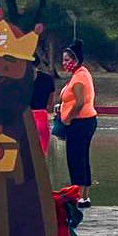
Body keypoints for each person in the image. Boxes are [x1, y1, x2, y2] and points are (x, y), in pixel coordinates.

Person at [57, 40, 97, 208]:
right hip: (84, 122)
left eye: (68, 60)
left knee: (76, 159)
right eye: (63, 60)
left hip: (80, 123)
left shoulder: (80, 77)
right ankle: (83, 196)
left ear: (76, 59)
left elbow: (80, 102)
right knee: (82, 158)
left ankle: (78, 195)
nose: (65, 63)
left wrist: (68, 118)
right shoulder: (80, 73)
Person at [30, 55, 56, 156]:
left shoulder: (19, 80)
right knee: (41, 154)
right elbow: (50, 103)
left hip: (25, 117)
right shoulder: (48, 79)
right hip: (42, 116)